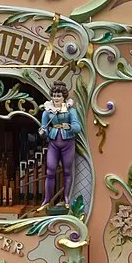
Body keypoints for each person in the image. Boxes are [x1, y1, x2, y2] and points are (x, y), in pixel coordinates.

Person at [39, 81, 82, 213]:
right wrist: (42, 132)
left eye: (59, 95)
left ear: (63, 97)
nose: (56, 98)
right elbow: (44, 128)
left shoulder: (71, 110)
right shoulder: (47, 112)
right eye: (54, 95)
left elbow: (77, 127)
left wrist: (69, 126)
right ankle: (47, 199)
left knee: (67, 171)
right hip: (53, 143)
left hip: (68, 143)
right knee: (50, 170)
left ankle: (66, 198)